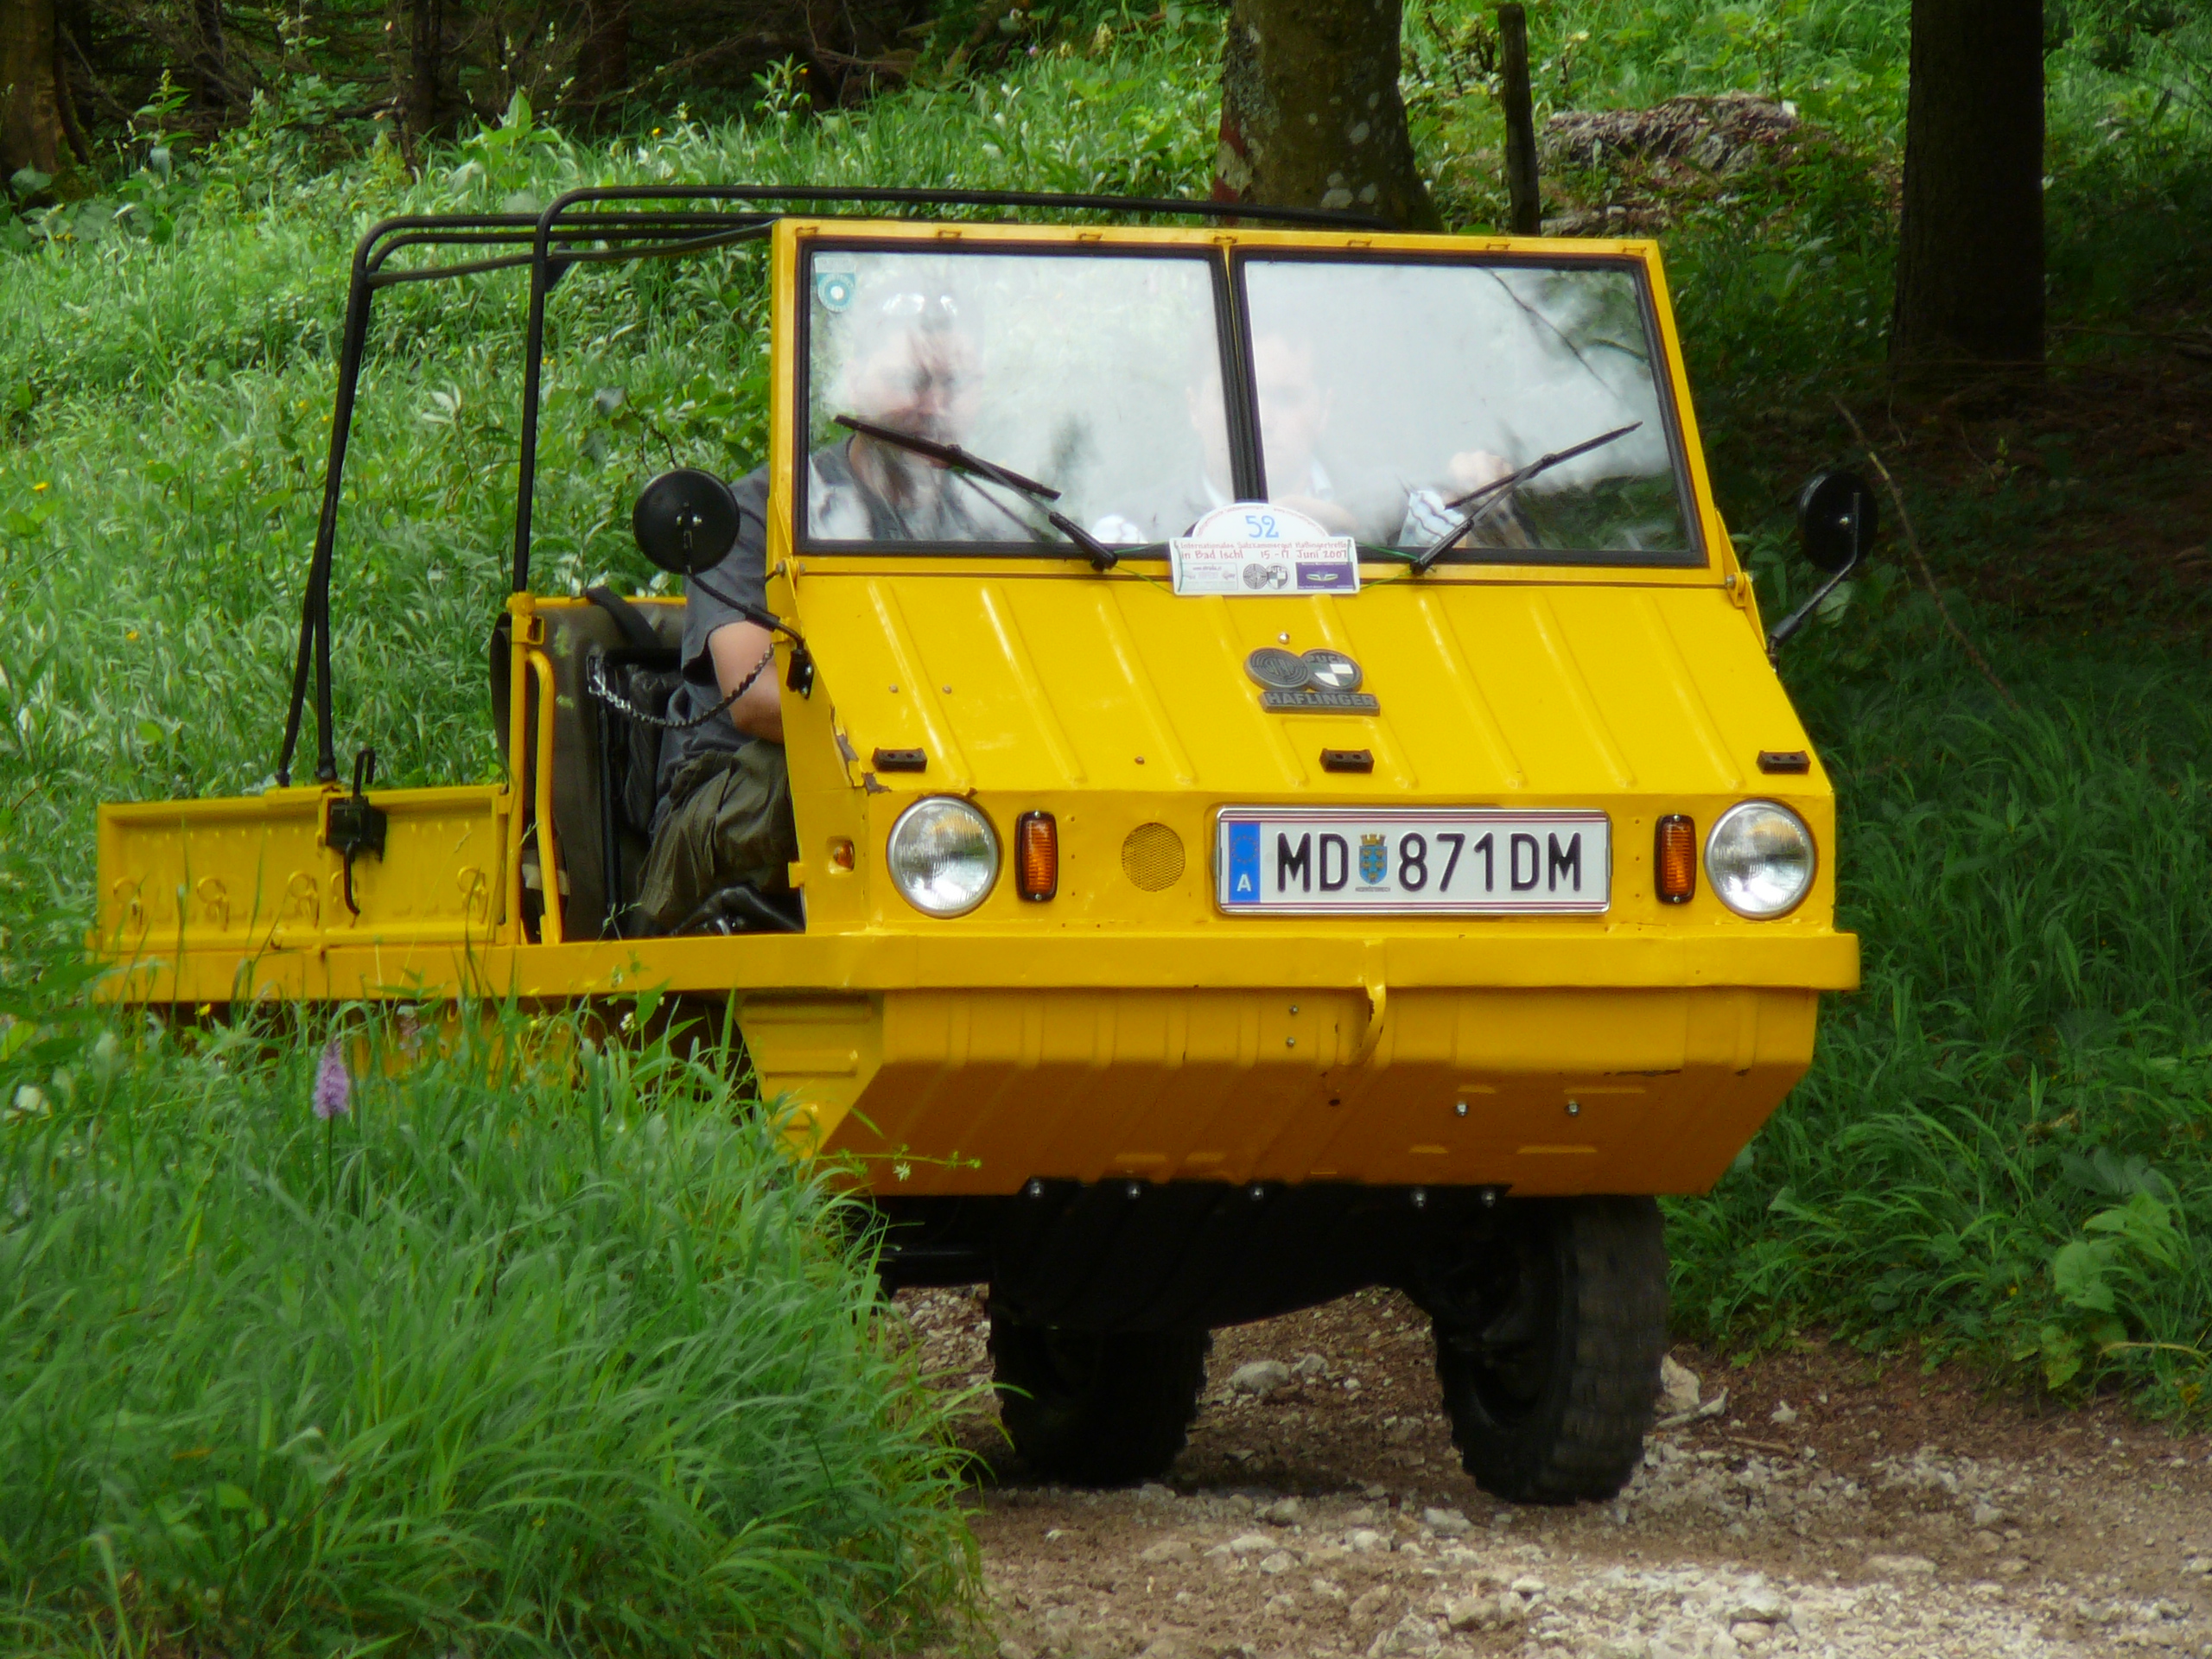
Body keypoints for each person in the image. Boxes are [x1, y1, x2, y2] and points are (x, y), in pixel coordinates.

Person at [634, 288, 1006, 934]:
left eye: (955, 384)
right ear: (854, 381)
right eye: (913, 380)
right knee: (823, 787)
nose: (934, 407)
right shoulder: (764, 513)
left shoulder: (993, 526)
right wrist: (928, 739)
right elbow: (756, 698)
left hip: (931, 788)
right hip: (741, 789)